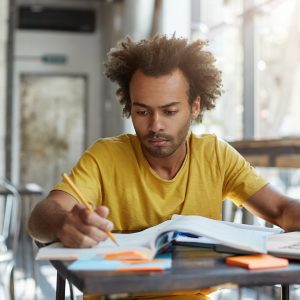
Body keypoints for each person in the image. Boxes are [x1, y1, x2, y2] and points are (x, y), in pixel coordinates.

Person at [28, 34, 300, 300]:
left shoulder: (215, 155)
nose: (155, 125)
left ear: (195, 107)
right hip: (117, 294)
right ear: (129, 107)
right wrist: (65, 222)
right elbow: (40, 218)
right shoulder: (105, 157)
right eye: (142, 111)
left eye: (169, 112)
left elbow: (281, 209)